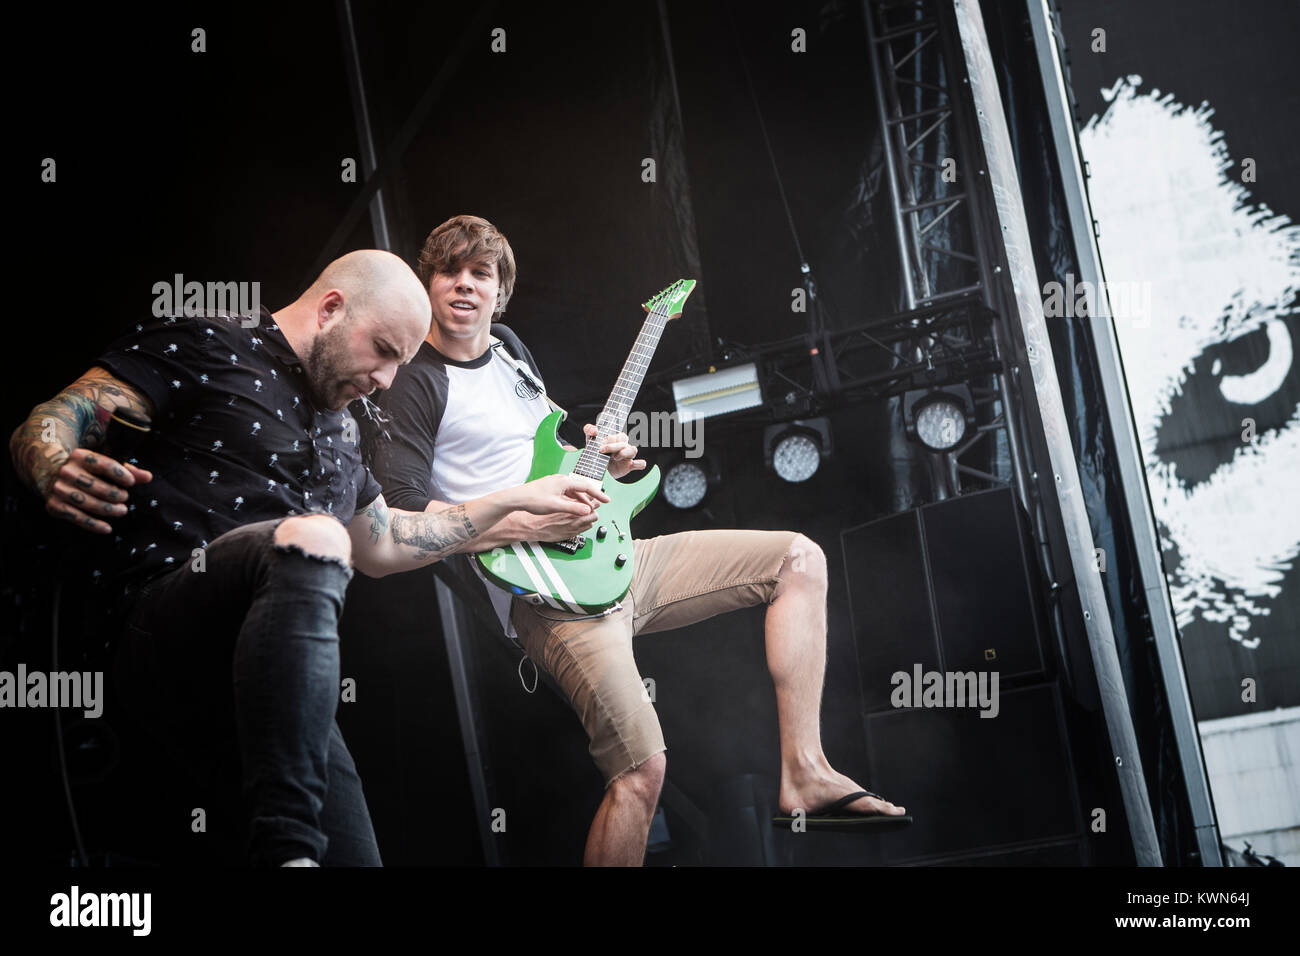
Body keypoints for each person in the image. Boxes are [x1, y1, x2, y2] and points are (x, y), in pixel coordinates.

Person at [8, 249, 607, 866]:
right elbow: (56, 416)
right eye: (382, 350)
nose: (386, 379)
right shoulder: (213, 341)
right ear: (330, 310)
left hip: (278, 675)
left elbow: (388, 541)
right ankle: (290, 852)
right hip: (161, 630)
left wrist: (515, 506)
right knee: (317, 536)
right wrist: (53, 464)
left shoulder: (345, 428)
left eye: (400, 363)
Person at [366, 216, 910, 866]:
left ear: (500, 291)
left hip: (617, 556)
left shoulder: (509, 349)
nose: (463, 285)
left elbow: (547, 452)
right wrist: (519, 516)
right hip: (548, 595)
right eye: (448, 271)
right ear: (427, 284)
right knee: (641, 771)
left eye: (479, 273)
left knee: (798, 558)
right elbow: (403, 518)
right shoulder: (417, 385)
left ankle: (807, 774)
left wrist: (604, 460)